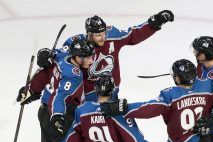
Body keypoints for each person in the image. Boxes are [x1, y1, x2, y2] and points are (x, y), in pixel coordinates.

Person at [13, 39, 95, 142]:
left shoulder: (62, 56)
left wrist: (43, 54)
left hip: (44, 112)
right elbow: (60, 98)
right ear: (77, 57)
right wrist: (58, 118)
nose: (91, 60)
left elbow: (48, 59)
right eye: (86, 57)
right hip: (60, 117)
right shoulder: (74, 76)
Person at [38, 10, 174, 101]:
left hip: (111, 90)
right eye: (98, 35)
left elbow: (133, 35)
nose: (103, 37)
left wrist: (156, 22)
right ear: (89, 34)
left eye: (103, 33)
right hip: (89, 95)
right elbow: (61, 54)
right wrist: (47, 55)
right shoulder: (78, 43)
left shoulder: (112, 35)